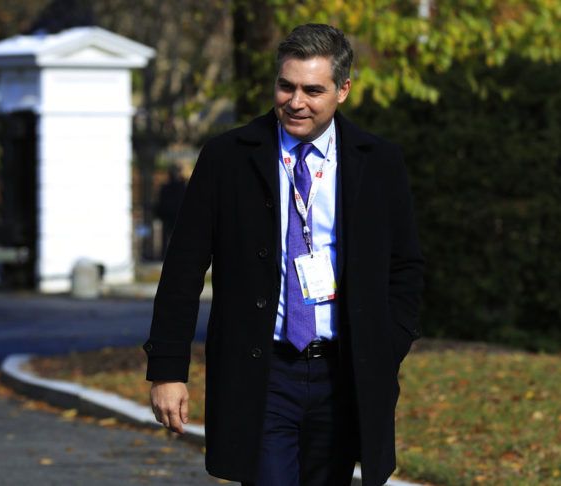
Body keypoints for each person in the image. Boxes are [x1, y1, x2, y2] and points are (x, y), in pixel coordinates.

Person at [144, 24, 424, 486]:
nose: (296, 102)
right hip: (262, 373)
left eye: (313, 90)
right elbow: (183, 268)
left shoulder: (379, 162)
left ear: (343, 90)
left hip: (344, 375)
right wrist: (168, 371)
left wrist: (386, 345)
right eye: (286, 86)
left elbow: (405, 266)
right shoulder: (227, 158)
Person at [154, 163, 187, 258]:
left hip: (174, 216)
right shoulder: (178, 187)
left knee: (176, 238)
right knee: (168, 237)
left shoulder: (181, 187)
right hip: (169, 216)